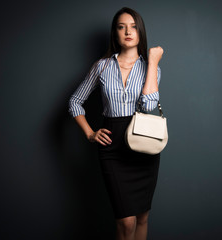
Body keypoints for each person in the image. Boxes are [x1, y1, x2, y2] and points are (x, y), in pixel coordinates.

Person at [68, 7, 163, 240]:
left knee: (141, 217)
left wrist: (151, 62)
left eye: (133, 26)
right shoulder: (101, 66)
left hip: (143, 145)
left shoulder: (152, 68)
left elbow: (149, 104)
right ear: (115, 33)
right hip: (112, 147)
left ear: (140, 32)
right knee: (126, 222)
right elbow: (75, 102)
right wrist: (90, 133)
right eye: (121, 27)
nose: (128, 31)